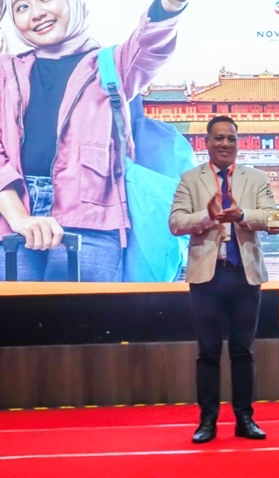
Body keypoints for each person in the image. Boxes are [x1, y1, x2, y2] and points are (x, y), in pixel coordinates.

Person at [0, 0, 187, 281]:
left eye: (46, 0)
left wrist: (168, 7)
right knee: (14, 322)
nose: (36, 13)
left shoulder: (114, 65)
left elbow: (150, 45)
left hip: (92, 223)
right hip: (12, 220)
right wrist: (18, 217)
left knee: (84, 320)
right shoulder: (6, 72)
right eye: (21, 7)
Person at [169, 116, 275, 444]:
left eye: (231, 138)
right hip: (207, 278)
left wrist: (242, 215)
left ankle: (245, 419)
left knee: (243, 351)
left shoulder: (255, 178)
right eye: (219, 138)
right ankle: (207, 421)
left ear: (238, 143)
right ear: (207, 143)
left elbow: (272, 217)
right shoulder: (190, 179)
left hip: (245, 276)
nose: (225, 144)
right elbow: (175, 223)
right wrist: (207, 216)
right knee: (209, 353)